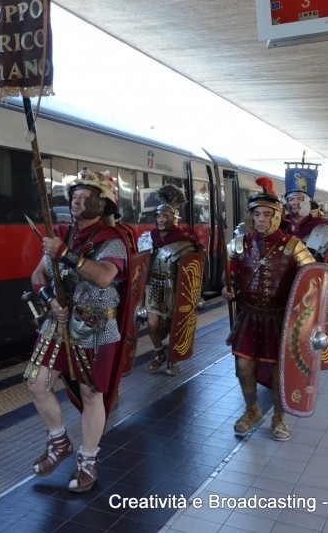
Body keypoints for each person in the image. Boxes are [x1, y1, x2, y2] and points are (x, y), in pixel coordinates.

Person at [25, 169, 136, 493]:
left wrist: (63, 253)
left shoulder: (111, 240)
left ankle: (88, 460)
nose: (78, 199)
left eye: (86, 196)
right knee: (36, 382)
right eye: (75, 195)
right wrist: (49, 300)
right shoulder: (64, 235)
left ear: (103, 204)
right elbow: (38, 277)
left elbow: (103, 276)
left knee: (91, 393)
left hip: (94, 325)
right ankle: (59, 442)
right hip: (58, 323)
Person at [222, 176, 315, 441]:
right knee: (243, 366)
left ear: (278, 216)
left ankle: (279, 417)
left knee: (278, 370)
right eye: (256, 214)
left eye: (267, 214)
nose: (261, 219)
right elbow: (228, 277)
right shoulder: (239, 244)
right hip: (249, 315)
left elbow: (314, 282)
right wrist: (227, 289)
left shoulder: (294, 246)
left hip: (280, 319)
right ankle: (251, 409)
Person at [137, 184, 203, 376]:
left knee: (176, 325)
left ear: (174, 220)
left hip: (175, 289)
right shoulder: (147, 239)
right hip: (153, 287)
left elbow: (194, 271)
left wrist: (195, 295)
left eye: (165, 217)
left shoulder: (184, 240)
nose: (161, 220)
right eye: (158, 216)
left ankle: (173, 359)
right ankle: (159, 353)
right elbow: (139, 268)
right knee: (152, 324)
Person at [282, 162, 328, 259]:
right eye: (290, 199)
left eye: (299, 199)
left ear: (309, 204)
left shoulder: (320, 226)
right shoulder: (281, 226)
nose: (294, 202)